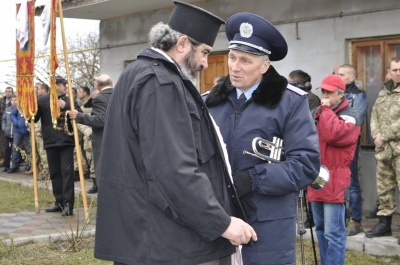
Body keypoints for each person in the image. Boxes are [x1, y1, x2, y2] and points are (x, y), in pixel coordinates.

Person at [94, 2, 257, 265]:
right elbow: (173, 170)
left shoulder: (135, 73)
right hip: (167, 242)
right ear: (182, 44)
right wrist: (222, 223)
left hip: (147, 236)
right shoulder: (161, 82)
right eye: (204, 52)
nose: (205, 63)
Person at [205, 13, 320, 265]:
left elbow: (306, 164)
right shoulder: (207, 102)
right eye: (232, 57)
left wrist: (254, 179)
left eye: (245, 60)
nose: (235, 67)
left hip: (267, 226)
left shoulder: (291, 102)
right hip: (217, 221)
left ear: (264, 66)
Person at [307, 74, 361, 265]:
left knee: (334, 233)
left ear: (340, 94)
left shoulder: (351, 115)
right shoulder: (318, 112)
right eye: (323, 91)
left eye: (329, 92)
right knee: (320, 229)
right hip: (317, 177)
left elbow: (333, 134)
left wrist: (326, 110)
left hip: (336, 179)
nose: (325, 95)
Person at [34, 76, 81, 217]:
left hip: (66, 140)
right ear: (56, 86)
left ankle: (68, 205)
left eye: (66, 84)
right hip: (50, 141)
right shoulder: (42, 100)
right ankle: (58, 202)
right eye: (63, 85)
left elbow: (80, 115)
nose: (66, 87)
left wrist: (66, 107)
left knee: (67, 172)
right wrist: (29, 107)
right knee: (55, 173)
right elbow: (34, 118)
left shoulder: (70, 101)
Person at [366, 57, 400, 245]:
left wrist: (384, 136)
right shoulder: (383, 92)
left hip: (397, 149)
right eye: (394, 70)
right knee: (384, 188)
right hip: (384, 150)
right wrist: (376, 135)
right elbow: (374, 115)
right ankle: (384, 224)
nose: (398, 73)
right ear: (389, 71)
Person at [337, 64, 368, 236]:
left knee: (352, 182)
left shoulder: (358, 95)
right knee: (338, 181)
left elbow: (355, 121)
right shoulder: (335, 94)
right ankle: (340, 217)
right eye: (336, 73)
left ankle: (356, 220)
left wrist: (336, 128)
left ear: (351, 78)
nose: (338, 76)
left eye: (341, 74)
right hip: (334, 145)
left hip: (350, 144)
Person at [69, 75, 114, 194]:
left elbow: (100, 120)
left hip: (102, 140)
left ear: (98, 85)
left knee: (102, 175)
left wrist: (79, 116)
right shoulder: (119, 95)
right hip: (116, 140)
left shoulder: (100, 98)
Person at [8, 101, 31, 174]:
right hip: (18, 130)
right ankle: (15, 166)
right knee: (15, 148)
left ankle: (28, 166)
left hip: (29, 130)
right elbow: (12, 115)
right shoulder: (19, 104)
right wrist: (16, 122)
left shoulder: (32, 103)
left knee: (29, 149)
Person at [35, 83, 50, 180]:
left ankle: (47, 172)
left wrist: (39, 130)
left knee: (44, 152)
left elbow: (44, 118)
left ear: (44, 90)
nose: (37, 91)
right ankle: (44, 170)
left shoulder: (45, 101)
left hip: (42, 131)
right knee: (40, 153)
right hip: (37, 130)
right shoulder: (39, 100)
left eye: (38, 89)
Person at [1, 95, 17, 172]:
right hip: (8, 134)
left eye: (15, 100)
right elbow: (3, 120)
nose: (14, 102)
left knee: (15, 150)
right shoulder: (7, 109)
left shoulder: (20, 109)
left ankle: (14, 166)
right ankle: (6, 165)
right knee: (7, 149)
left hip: (16, 134)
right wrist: (4, 128)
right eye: (12, 100)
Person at [0, 87, 14, 166]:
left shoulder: (15, 100)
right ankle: (3, 160)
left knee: (13, 145)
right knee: (3, 144)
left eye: (9, 91)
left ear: (12, 92)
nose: (8, 93)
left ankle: (15, 161)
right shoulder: (1, 100)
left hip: (13, 126)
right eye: (6, 91)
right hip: (3, 124)